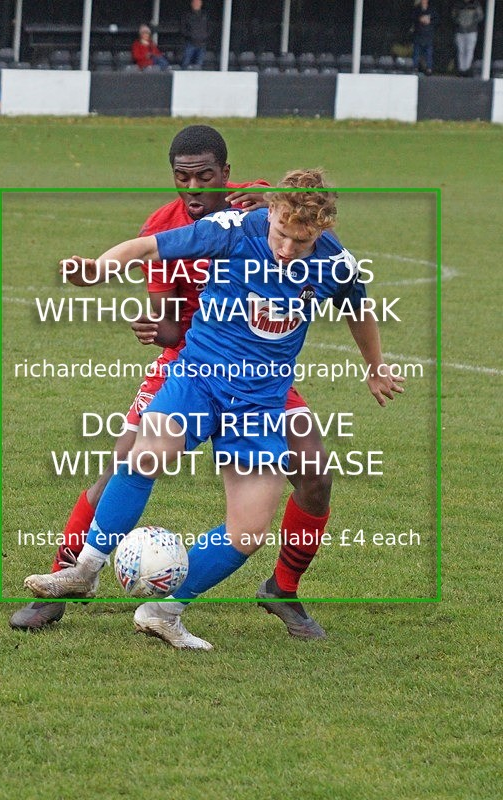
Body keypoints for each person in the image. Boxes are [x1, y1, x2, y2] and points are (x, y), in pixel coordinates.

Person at [23, 168, 404, 651]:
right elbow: (146, 249)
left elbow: (359, 311)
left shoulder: (337, 265)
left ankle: (164, 611)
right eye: (281, 234)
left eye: (301, 240)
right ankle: (86, 569)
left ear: (323, 229)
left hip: (261, 401)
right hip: (198, 377)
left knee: (247, 533)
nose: (286, 249)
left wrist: (375, 366)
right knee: (145, 454)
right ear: (271, 214)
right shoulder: (231, 230)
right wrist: (100, 268)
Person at [452, 0, 483, 76]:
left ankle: (467, 69)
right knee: (461, 51)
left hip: (471, 31)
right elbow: (453, 16)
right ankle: (461, 70)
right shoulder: (458, 5)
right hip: (460, 31)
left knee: (469, 50)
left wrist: (471, 24)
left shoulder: (475, 4)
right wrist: (461, 22)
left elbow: (480, 16)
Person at [412, 0, 439, 76]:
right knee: (416, 53)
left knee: (428, 54)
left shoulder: (432, 10)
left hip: (428, 35)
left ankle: (429, 69)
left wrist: (429, 21)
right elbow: (412, 18)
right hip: (418, 34)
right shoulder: (417, 10)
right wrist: (420, 19)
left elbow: (436, 20)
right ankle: (415, 68)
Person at [181, 0, 208, 69]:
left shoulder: (205, 15)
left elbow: (210, 26)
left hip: (202, 43)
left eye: (198, 2)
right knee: (185, 64)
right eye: (195, 2)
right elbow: (183, 28)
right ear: (191, 4)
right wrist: (191, 36)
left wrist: (205, 35)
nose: (196, 4)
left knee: (199, 65)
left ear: (201, 4)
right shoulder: (186, 15)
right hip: (190, 43)